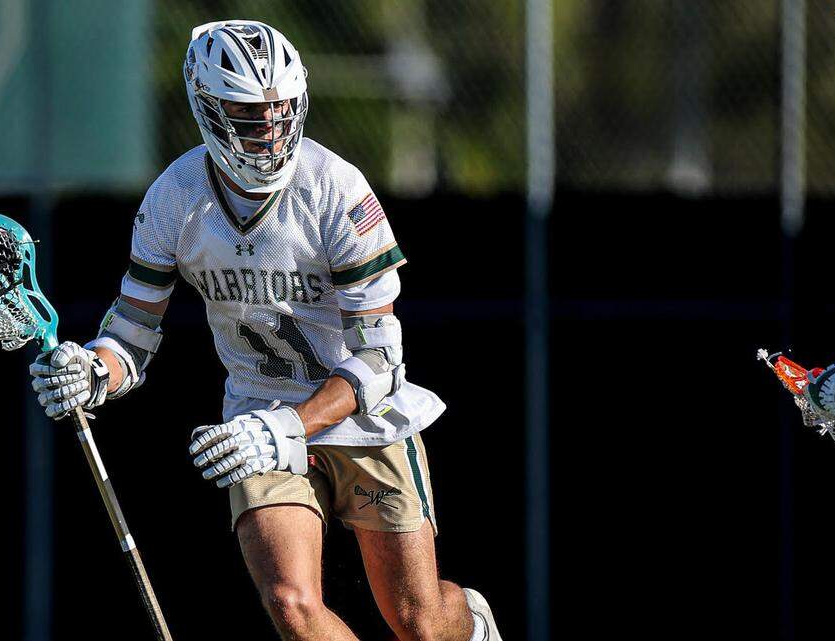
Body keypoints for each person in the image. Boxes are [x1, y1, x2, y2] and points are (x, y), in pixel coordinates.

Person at [28, 20, 501, 641]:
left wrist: (287, 427)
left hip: (359, 415)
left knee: (418, 622)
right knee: (292, 606)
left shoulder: (335, 189)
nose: (271, 130)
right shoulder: (175, 199)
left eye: (281, 111)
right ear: (207, 109)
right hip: (258, 410)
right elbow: (133, 333)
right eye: (250, 114)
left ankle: (471, 618)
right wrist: (94, 370)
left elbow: (380, 361)